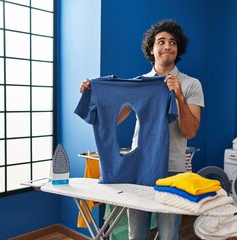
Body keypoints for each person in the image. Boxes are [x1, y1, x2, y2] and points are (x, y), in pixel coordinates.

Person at [79, 19, 204, 240]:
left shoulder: (191, 84)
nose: (168, 46)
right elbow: (112, 121)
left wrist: (179, 97)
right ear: (151, 49)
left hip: (172, 169)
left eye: (173, 42)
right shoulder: (140, 84)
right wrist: (93, 95)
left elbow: (190, 131)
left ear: (178, 48)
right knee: (136, 234)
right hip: (139, 168)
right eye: (161, 41)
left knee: (168, 235)